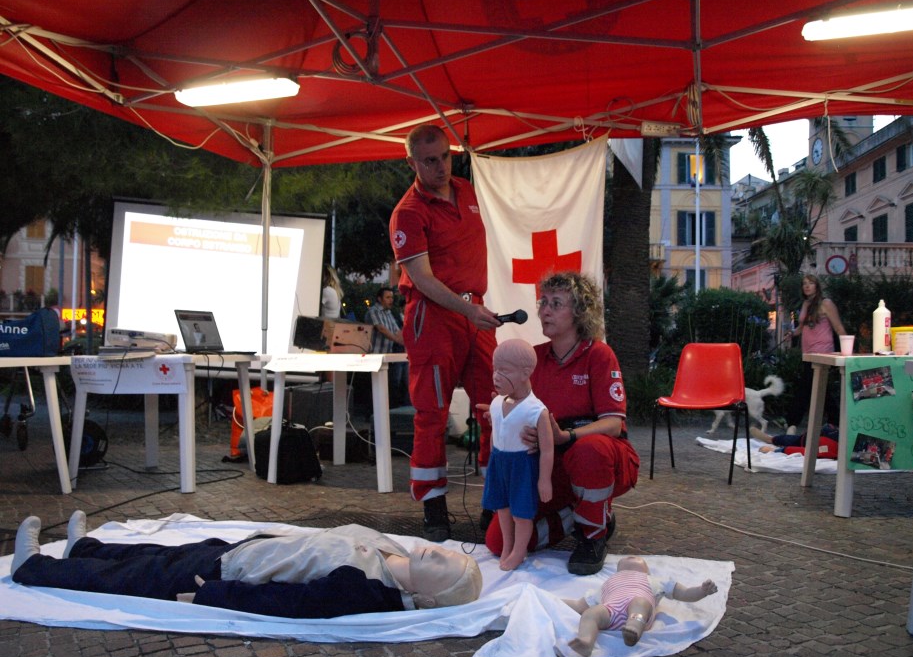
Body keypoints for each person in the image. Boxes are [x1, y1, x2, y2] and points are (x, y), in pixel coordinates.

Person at [11, 511, 482, 618]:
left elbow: (288, 603)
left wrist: (212, 596)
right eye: (444, 552)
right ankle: (83, 549)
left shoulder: (365, 589)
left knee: (131, 579)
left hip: (227, 576)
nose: (435, 551)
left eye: (441, 565)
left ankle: (33, 568)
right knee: (150, 555)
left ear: (428, 596)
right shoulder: (387, 547)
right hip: (241, 551)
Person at [484, 272, 640, 575]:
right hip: (549, 460)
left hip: (600, 457)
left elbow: (612, 423)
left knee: (589, 449)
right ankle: (578, 515)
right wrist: (501, 411)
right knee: (498, 540)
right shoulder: (533, 358)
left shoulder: (599, 355)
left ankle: (592, 535)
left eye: (556, 304)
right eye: (544, 303)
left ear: (580, 312)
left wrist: (566, 436)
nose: (545, 311)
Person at [390, 124, 500, 541]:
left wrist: (474, 310)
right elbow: (421, 278)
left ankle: (495, 506)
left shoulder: (466, 191)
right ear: (412, 162)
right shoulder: (408, 212)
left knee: (495, 409)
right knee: (432, 415)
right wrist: (468, 310)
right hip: (434, 316)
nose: (439, 166)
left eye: (445, 157)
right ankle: (434, 510)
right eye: (429, 160)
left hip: (474, 312)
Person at [482, 339, 554, 571]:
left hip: (522, 465)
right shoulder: (495, 403)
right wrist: (492, 461)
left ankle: (519, 550)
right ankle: (508, 545)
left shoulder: (536, 410)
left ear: (525, 373)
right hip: (499, 461)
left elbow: (547, 448)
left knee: (521, 513)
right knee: (502, 508)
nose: (496, 376)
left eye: (504, 370)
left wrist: (544, 480)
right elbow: (496, 432)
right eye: (495, 369)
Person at [563, 556, 718, 657]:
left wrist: (701, 591)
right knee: (592, 613)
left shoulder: (656, 580)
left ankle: (634, 628)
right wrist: (551, 600)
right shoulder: (606, 584)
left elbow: (684, 594)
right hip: (609, 611)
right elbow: (579, 605)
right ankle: (586, 640)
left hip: (639, 612)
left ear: (647, 571)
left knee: (640, 602)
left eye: (637, 559)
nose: (631, 558)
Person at [786, 274, 847, 430]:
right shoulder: (806, 304)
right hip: (808, 351)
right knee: (820, 387)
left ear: (817, 286)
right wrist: (793, 333)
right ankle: (836, 420)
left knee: (807, 385)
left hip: (822, 351)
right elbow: (802, 326)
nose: (807, 286)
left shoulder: (826, 303)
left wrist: (847, 349)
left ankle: (792, 421)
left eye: (810, 283)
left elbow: (838, 326)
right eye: (804, 284)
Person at [365, 287, 410, 407]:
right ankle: (371, 415)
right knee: (374, 387)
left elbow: (397, 331)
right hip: (375, 354)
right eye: (388, 297)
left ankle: (385, 412)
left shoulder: (389, 313)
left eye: (392, 297)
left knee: (388, 386)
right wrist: (399, 341)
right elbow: (381, 329)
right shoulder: (373, 311)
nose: (391, 300)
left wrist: (408, 343)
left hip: (386, 356)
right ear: (379, 299)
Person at [750, 424, 839, 459]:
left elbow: (803, 451)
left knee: (789, 440)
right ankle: (770, 439)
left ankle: (770, 439)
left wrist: (774, 450)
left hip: (805, 441)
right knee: (788, 439)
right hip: (807, 438)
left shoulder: (828, 450)